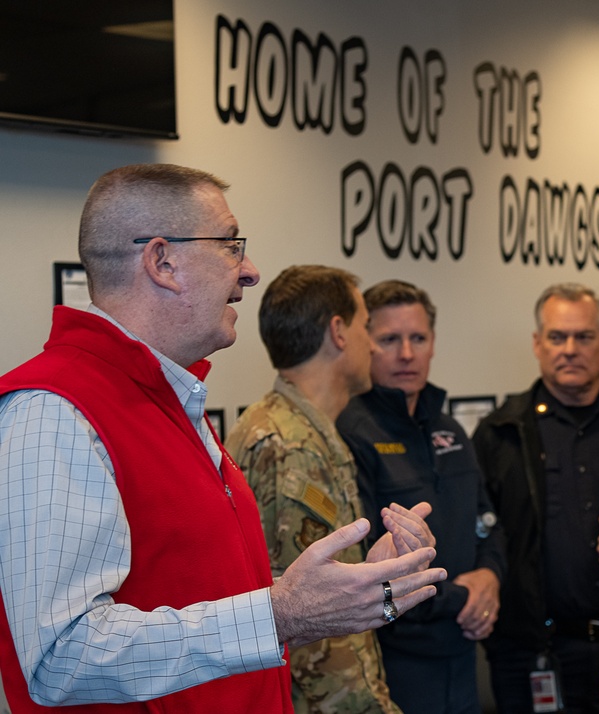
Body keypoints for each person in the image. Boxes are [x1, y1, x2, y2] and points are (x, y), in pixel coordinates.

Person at [0, 164, 445, 712]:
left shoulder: (167, 400)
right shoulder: (53, 410)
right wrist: (281, 613)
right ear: (162, 261)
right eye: (232, 245)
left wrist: (346, 589)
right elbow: (59, 658)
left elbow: (198, 596)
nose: (250, 272)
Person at [227, 265, 437, 713]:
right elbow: (309, 628)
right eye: (367, 327)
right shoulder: (290, 444)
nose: (372, 344)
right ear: (339, 332)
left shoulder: (301, 427)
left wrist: (377, 568)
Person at [472, 283, 599, 714]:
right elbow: (481, 539)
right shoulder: (500, 433)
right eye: (557, 337)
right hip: (532, 656)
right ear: (538, 344)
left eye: (584, 336)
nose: (569, 349)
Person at [337, 280, 506, 714]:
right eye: (390, 340)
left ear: (433, 344)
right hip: (397, 658)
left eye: (418, 338)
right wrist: (461, 597)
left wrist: (489, 577)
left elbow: (487, 521)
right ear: (365, 345)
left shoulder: (450, 429)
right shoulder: (351, 433)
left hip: (463, 652)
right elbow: (361, 563)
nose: (407, 354)